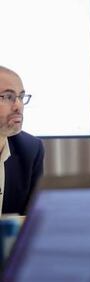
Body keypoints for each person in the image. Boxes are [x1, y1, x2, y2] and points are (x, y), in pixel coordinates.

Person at [0, 66, 44, 215]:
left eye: (21, 97)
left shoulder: (30, 149)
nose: (18, 106)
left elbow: (32, 220)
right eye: (7, 97)